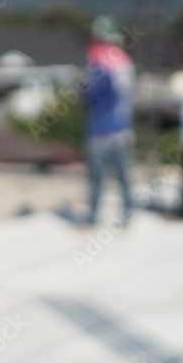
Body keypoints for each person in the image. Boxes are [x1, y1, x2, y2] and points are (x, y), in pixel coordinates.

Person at [80, 15, 135, 226]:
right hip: (123, 128)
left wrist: (82, 86)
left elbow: (90, 94)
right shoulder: (124, 62)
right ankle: (128, 216)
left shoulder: (100, 63)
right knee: (123, 176)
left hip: (101, 129)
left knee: (97, 177)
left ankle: (93, 218)